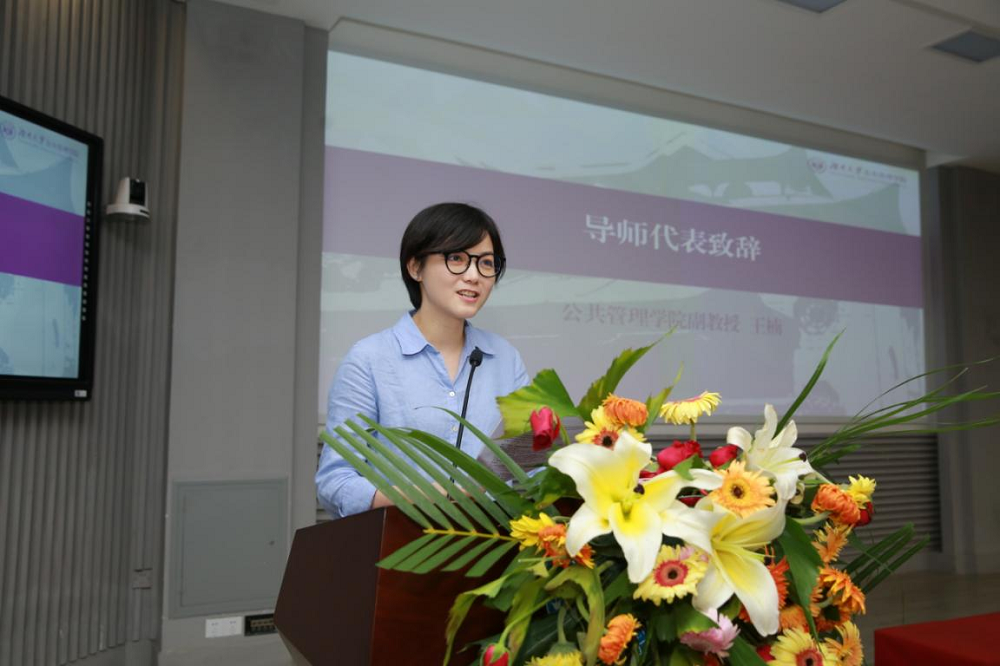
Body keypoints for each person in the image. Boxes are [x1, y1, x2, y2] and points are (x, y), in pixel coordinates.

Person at [316, 203, 530, 518]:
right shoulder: (369, 359)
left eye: (486, 263)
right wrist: (418, 497)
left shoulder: (505, 359)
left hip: (492, 540)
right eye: (456, 259)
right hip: (402, 541)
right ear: (415, 267)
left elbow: (531, 463)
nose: (474, 276)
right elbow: (335, 482)